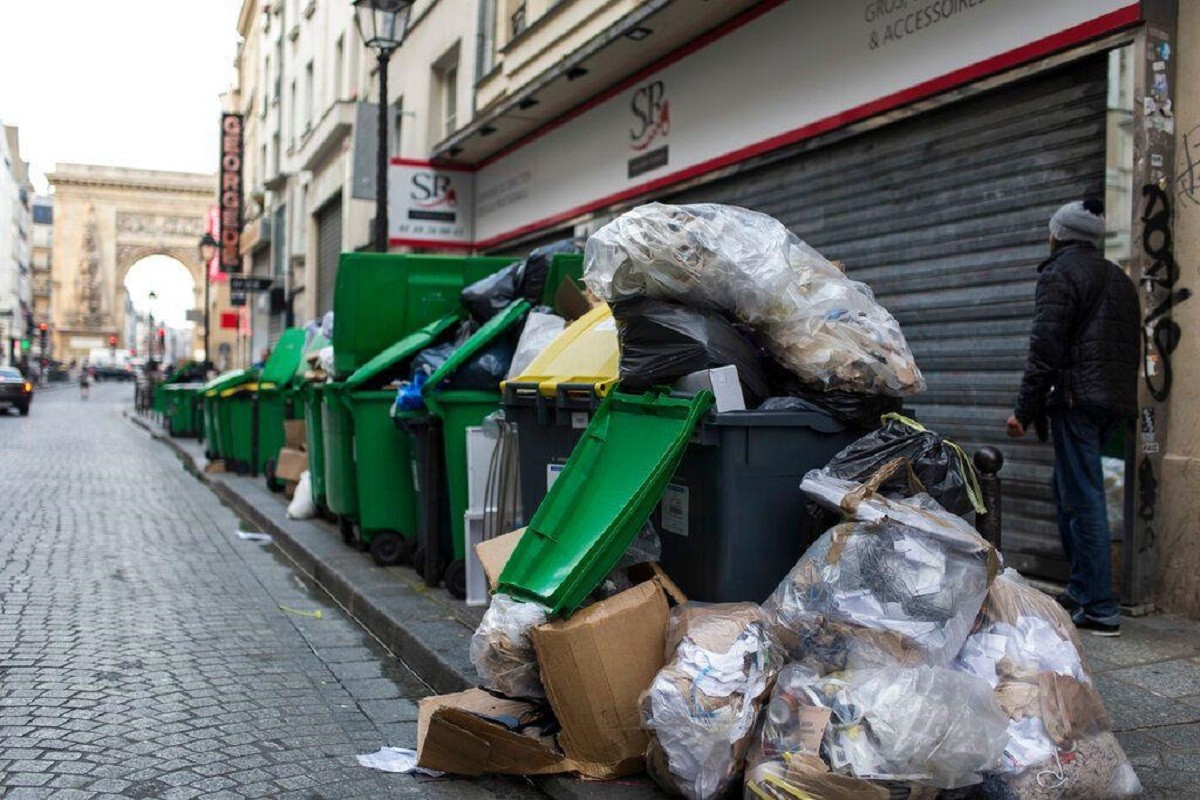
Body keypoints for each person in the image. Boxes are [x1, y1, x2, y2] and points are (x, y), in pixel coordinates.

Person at [1006, 198, 1140, 637]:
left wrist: (1023, 411)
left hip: (1077, 401)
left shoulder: (1060, 273)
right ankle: (1082, 590)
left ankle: (1101, 607)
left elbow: (1045, 347)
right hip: (1112, 404)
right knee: (1067, 489)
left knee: (1084, 499)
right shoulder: (1120, 278)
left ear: (1059, 234)